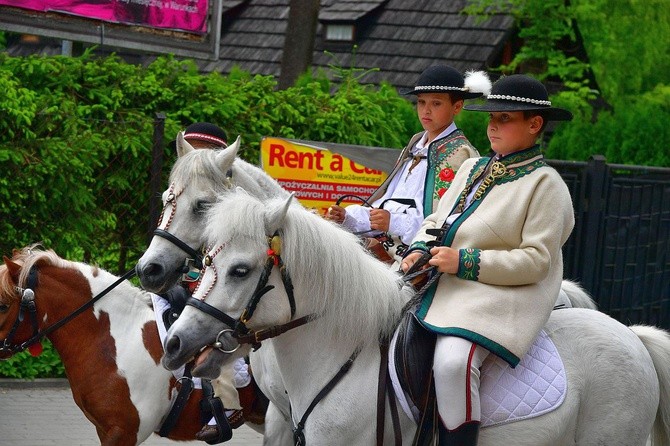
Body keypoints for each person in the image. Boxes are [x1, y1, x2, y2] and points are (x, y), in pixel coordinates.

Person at [400, 74, 575, 444]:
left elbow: (535, 261)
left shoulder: (547, 185)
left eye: (505, 118)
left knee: (452, 363)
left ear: (535, 124)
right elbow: (436, 219)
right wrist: (417, 248)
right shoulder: (472, 167)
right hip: (443, 282)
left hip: (502, 296)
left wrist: (463, 261)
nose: (493, 125)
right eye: (492, 117)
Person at [160, 122, 267, 444]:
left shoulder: (233, 198)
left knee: (211, 317)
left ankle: (229, 402)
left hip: (230, 284)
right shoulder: (186, 192)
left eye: (203, 154)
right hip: (200, 275)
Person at [326, 65, 491, 265]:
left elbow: (445, 221)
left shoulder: (460, 155)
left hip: (421, 256)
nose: (426, 110)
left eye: (436, 103)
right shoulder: (414, 148)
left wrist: (392, 222)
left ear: (457, 107)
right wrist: (348, 217)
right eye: (421, 102)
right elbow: (387, 202)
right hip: (385, 244)